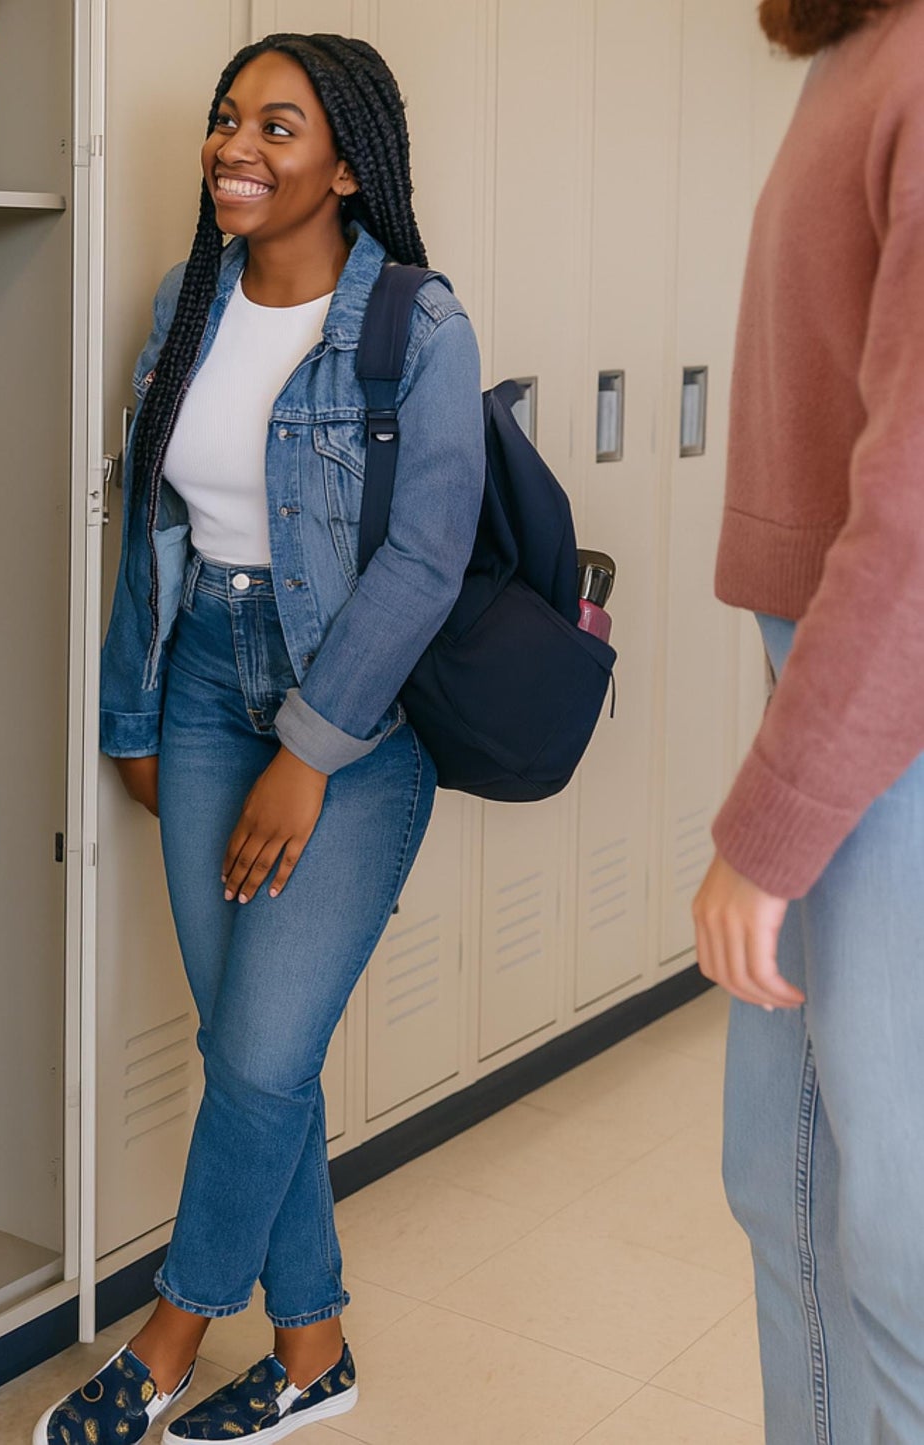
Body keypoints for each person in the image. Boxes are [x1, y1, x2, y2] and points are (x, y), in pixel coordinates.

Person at [36, 34, 484, 1445]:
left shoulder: (413, 323)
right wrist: (131, 711)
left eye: (277, 128)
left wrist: (308, 745)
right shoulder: (186, 301)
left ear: (346, 165)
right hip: (195, 688)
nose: (235, 145)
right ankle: (312, 1345)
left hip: (349, 715)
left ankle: (169, 1335)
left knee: (262, 1055)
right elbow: (143, 529)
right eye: (228, 120)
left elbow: (422, 563)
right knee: (247, 1047)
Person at [692, 0, 924, 1438]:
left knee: (892, 1235)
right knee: (781, 1183)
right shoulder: (865, 54)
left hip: (882, 722)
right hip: (839, 689)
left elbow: (911, 513)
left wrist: (772, 831)